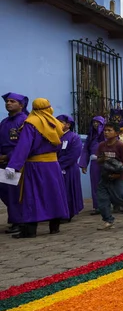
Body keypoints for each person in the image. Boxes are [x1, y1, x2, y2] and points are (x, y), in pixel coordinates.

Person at [5, 98, 69, 238]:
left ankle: (30, 230)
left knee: (32, 195)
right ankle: (54, 226)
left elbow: (24, 146)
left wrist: (13, 165)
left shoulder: (31, 123)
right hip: (53, 164)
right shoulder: (56, 123)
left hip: (35, 165)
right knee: (54, 194)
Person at [0, 92, 28, 234]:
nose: (8, 103)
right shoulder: (4, 122)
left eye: (12, 101)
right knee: (4, 191)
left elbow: (23, 144)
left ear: (21, 105)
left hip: (16, 161)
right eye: (7, 101)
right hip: (3, 162)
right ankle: (15, 219)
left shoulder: (24, 121)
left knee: (15, 192)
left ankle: (19, 221)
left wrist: (8, 157)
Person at [56, 115, 83, 221]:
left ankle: (68, 213)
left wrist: (59, 164)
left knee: (68, 191)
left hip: (69, 168)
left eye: (61, 122)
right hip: (55, 167)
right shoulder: (55, 136)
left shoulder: (73, 137)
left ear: (68, 125)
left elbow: (74, 154)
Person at [79, 116, 105, 214]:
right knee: (95, 184)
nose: (95, 124)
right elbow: (85, 150)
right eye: (94, 122)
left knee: (108, 184)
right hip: (95, 162)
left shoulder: (106, 135)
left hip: (106, 162)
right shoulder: (91, 136)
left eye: (97, 122)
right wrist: (84, 164)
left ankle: (111, 204)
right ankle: (97, 206)